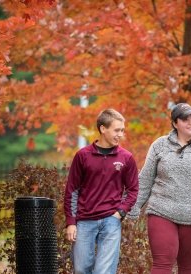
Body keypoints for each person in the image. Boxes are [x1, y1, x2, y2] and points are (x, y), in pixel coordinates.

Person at [128, 103, 191, 274]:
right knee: (162, 264)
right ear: (174, 123)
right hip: (161, 210)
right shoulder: (160, 145)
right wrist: (134, 206)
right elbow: (146, 178)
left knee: (187, 267)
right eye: (185, 119)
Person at [64, 108, 139, 274]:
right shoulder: (82, 156)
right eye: (116, 130)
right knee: (81, 269)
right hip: (84, 221)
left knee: (103, 271)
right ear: (103, 129)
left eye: (122, 130)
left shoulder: (126, 158)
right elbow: (72, 190)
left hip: (111, 221)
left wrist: (120, 212)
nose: (120, 134)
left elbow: (133, 190)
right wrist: (71, 222)